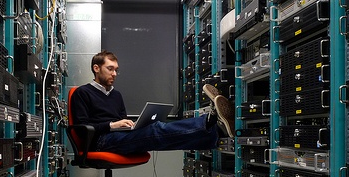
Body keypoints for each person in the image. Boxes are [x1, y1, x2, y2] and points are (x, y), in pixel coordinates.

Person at [70, 50, 234, 155]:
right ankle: (210, 121)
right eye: (110, 69)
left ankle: (218, 131)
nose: (115, 73)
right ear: (96, 68)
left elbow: (122, 121)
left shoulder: (116, 95)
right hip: (99, 142)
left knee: (166, 139)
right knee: (155, 131)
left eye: (116, 70)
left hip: (117, 137)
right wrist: (112, 125)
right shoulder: (82, 93)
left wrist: (131, 125)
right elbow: (82, 128)